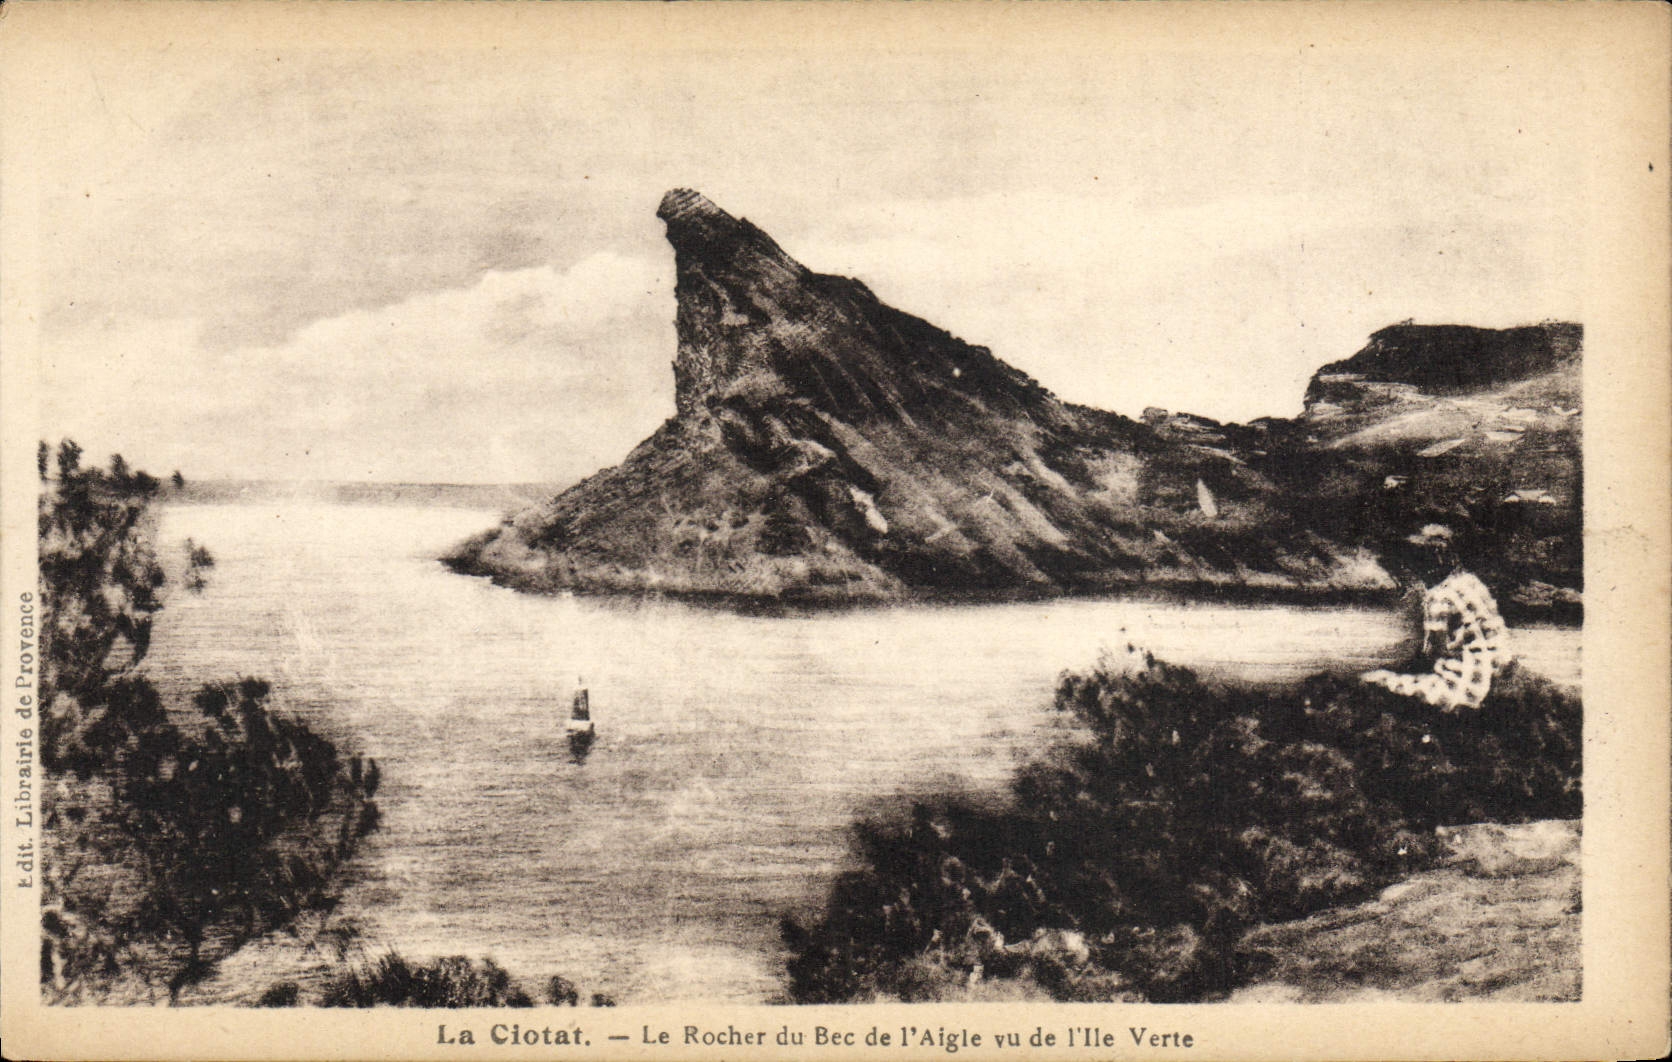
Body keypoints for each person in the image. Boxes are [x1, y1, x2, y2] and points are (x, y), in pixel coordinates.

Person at [1360, 524, 1513, 710]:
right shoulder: (1472, 582)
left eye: (1417, 562)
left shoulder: (1438, 597)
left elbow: (1432, 654)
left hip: (1465, 684)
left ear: (1431, 563)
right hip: (1492, 672)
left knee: (1374, 680)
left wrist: (1394, 671)